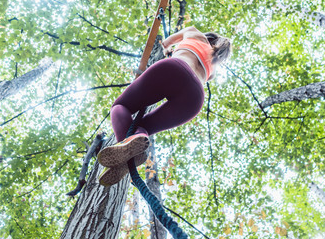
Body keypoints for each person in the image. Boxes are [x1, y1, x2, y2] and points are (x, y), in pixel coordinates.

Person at [97, 26, 232, 186]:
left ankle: (124, 145)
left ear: (208, 36)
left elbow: (166, 43)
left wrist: (169, 49)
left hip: (174, 68)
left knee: (120, 106)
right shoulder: (214, 69)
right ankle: (131, 147)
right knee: (144, 128)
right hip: (195, 98)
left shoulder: (194, 32)